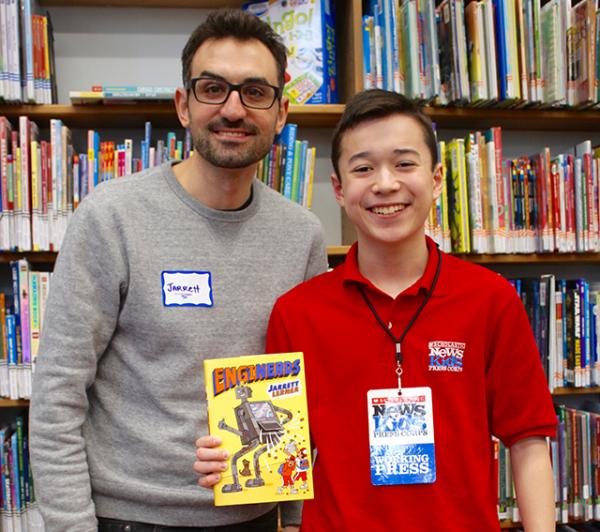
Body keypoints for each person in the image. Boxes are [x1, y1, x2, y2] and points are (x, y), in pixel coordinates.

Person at [195, 90, 557, 531]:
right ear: (339, 189)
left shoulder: (491, 299)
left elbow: (527, 439)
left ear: (438, 177)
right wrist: (229, 454)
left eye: (404, 163)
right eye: (363, 168)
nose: (385, 184)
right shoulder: (298, 312)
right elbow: (282, 451)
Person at [29, 9, 326, 532]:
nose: (233, 109)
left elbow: (299, 394)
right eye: (213, 88)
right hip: (127, 517)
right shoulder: (110, 216)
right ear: (183, 106)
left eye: (255, 93)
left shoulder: (302, 235)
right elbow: (57, 393)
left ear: (281, 113)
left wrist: (296, 521)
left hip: (255, 517)